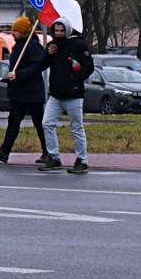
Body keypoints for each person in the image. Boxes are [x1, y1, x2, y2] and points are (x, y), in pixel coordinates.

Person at [0, 16, 49, 165]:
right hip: (19, 92)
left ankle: (49, 152)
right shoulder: (18, 45)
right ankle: (4, 151)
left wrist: (19, 75)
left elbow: (38, 66)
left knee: (39, 124)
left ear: (23, 32)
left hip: (32, 92)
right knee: (13, 121)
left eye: (16, 31)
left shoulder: (33, 46)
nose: (13, 33)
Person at [38, 16, 94, 173]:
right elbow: (41, 65)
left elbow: (89, 67)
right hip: (55, 94)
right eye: (56, 31)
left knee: (76, 127)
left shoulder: (79, 45)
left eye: (62, 30)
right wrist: (48, 54)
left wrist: (75, 80)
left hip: (74, 95)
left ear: (68, 30)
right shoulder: (52, 46)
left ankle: (82, 160)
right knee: (47, 123)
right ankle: (54, 157)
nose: (59, 33)